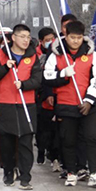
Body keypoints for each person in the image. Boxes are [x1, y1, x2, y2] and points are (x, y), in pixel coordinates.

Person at [42, 20, 96, 188]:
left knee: (91, 138)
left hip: (88, 105)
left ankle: (94, 173)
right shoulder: (56, 54)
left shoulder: (92, 55)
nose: (76, 41)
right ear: (66, 36)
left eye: (79, 37)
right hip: (66, 104)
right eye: (72, 37)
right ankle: (71, 172)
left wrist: (89, 100)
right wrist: (63, 73)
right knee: (68, 140)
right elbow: (47, 76)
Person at [0, 24, 42, 190]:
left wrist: (24, 84)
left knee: (26, 142)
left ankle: (25, 177)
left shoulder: (33, 56)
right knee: (6, 142)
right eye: (22, 36)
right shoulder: (1, 56)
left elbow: (38, 79)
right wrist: (5, 68)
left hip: (26, 104)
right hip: (6, 104)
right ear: (13, 38)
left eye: (28, 37)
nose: (26, 40)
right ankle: (8, 172)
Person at [35, 27, 60, 171]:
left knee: (54, 130)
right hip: (41, 97)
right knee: (42, 130)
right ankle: (41, 149)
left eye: (52, 39)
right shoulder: (36, 55)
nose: (50, 42)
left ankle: (54, 155)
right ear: (41, 41)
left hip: (57, 95)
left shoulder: (59, 52)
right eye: (47, 40)